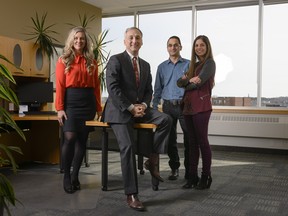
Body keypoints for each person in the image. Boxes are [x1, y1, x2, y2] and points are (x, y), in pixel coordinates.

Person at [101, 27, 172, 211]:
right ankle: (131, 194)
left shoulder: (146, 65)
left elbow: (149, 90)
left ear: (142, 41)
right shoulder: (116, 60)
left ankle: (152, 158)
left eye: (137, 38)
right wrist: (131, 108)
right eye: (131, 38)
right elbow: (113, 88)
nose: (134, 41)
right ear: (125, 41)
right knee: (128, 147)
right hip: (120, 110)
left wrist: (143, 105)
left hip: (140, 107)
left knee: (166, 120)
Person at [55, 26, 102, 194]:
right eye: (76, 38)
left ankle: (75, 176)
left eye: (82, 38)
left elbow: (96, 87)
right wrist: (60, 108)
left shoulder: (92, 61)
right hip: (71, 102)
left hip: (87, 103)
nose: (79, 41)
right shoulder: (63, 60)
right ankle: (66, 175)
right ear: (71, 40)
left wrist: (98, 107)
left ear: (85, 41)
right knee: (69, 137)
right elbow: (60, 85)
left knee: (82, 140)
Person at [177, 35, 216, 190]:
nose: (199, 48)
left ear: (207, 47)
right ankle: (192, 177)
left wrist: (189, 81)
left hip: (201, 107)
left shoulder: (210, 63)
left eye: (202, 45)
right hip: (188, 107)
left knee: (202, 142)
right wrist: (190, 80)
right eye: (196, 45)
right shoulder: (194, 66)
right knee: (192, 143)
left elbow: (196, 83)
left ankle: (206, 176)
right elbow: (179, 82)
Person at [152, 36, 190, 180]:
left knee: (189, 139)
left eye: (176, 45)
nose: (173, 48)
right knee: (170, 140)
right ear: (167, 48)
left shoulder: (188, 65)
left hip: (184, 105)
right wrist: (155, 109)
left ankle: (189, 170)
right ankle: (174, 168)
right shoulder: (161, 67)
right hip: (167, 106)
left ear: (180, 47)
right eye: (170, 45)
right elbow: (157, 90)